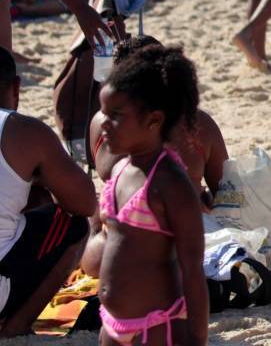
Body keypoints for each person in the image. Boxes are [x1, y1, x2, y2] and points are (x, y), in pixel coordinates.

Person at [82, 36, 228, 278]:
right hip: (134, 239)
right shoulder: (104, 123)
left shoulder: (199, 125)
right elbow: (226, 193)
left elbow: (226, 194)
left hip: (156, 239)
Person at [96, 44, 207, 346]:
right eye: (104, 112)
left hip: (156, 328)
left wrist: (197, 339)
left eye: (116, 115)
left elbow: (192, 269)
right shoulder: (120, 170)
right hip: (112, 325)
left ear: (154, 120)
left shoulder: (170, 183)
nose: (104, 123)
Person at [0, 48, 95, 338]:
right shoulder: (22, 130)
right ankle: (16, 327)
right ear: (16, 87)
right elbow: (85, 203)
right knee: (74, 225)